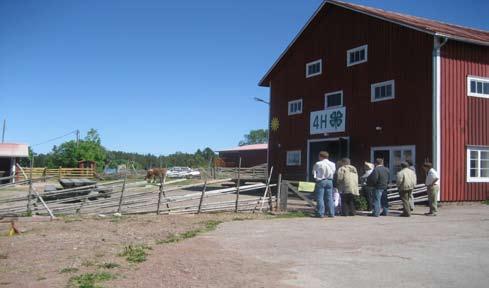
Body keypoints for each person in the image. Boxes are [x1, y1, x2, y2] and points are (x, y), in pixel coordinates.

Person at [312, 151, 336, 218]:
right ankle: (331, 213)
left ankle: (320, 213)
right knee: (330, 197)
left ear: (320, 156)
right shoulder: (333, 164)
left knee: (320, 197)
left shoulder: (318, 163)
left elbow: (313, 172)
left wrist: (316, 178)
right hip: (330, 180)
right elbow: (333, 172)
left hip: (321, 180)